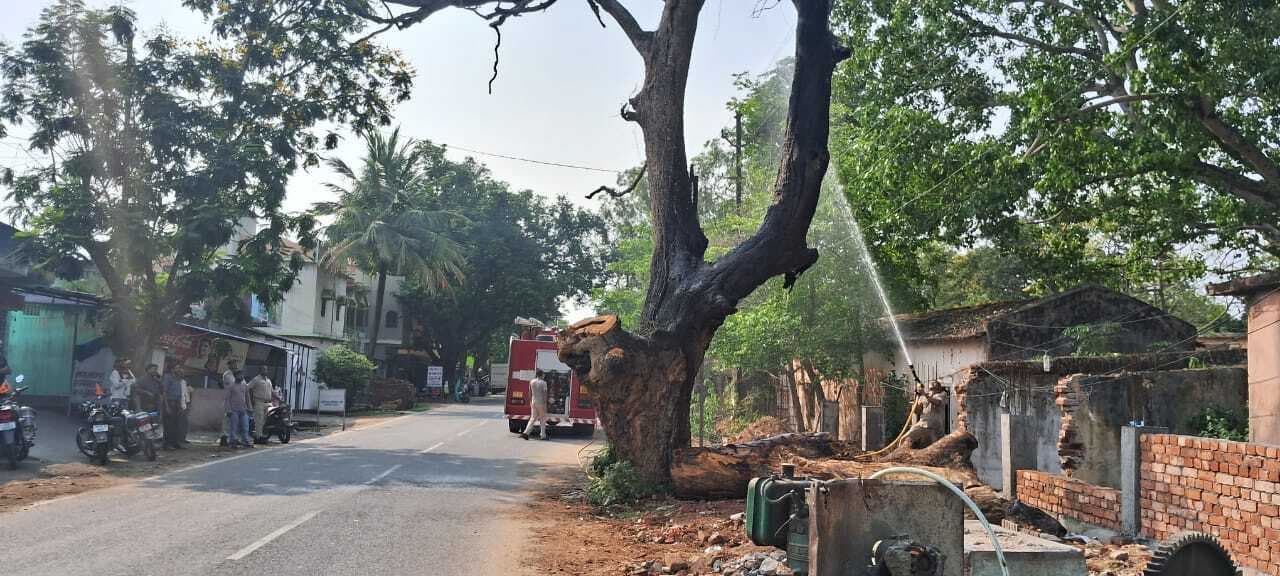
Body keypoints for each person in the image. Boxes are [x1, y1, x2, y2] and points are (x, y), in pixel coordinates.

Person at [904, 380, 949, 449]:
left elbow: (937, 402)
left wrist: (924, 394)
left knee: (933, 446)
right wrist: (915, 398)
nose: (932, 390)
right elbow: (917, 411)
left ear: (939, 388)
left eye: (935, 387)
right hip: (921, 425)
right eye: (931, 388)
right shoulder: (924, 396)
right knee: (905, 438)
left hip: (934, 427)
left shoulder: (942, 395)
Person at [162, 365, 189, 449]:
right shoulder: (168, 378)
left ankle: (175, 442)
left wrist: (182, 405)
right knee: (169, 424)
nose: (180, 369)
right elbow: (164, 392)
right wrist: (166, 406)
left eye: (180, 368)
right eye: (178, 368)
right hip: (170, 402)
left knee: (177, 424)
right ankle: (167, 444)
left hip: (178, 403)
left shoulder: (180, 379)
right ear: (173, 369)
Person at [224, 370, 253, 449]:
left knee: (245, 427)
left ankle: (245, 442)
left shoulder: (244, 385)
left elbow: (247, 398)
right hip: (233, 410)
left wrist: (250, 408)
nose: (241, 376)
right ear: (235, 376)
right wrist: (228, 410)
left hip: (243, 410)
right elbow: (227, 399)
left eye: (242, 375)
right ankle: (232, 442)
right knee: (233, 427)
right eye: (239, 375)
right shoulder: (231, 386)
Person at [521, 370, 549, 441]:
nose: (544, 375)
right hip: (541, 402)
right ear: (541, 375)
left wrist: (530, 401)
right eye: (543, 374)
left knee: (532, 418)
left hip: (533, 401)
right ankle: (543, 435)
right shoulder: (543, 383)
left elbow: (529, 393)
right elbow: (545, 394)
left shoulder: (532, 382)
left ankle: (526, 433)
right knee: (542, 419)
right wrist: (545, 403)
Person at [248, 368, 273, 443]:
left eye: (266, 369)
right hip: (258, 401)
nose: (265, 371)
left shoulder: (268, 380)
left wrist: (279, 399)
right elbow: (248, 388)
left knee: (263, 421)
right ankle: (259, 437)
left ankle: (258, 436)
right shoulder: (256, 379)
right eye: (263, 369)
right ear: (260, 370)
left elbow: (272, 391)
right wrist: (250, 399)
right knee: (259, 420)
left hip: (267, 402)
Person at [219, 359, 239, 445]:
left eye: (236, 363)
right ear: (229, 365)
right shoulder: (227, 374)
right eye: (233, 363)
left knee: (234, 419)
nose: (235, 365)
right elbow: (233, 385)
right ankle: (224, 437)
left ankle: (233, 438)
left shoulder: (237, 374)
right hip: (228, 398)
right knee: (227, 418)